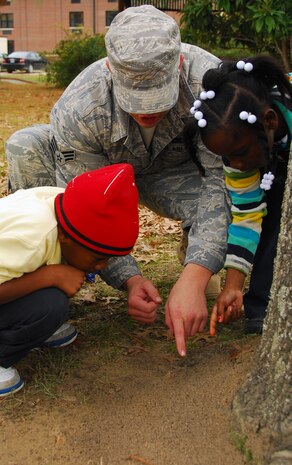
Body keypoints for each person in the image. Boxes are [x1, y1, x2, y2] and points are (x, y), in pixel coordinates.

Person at [5, 5, 230, 357]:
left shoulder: (212, 85)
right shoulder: (81, 105)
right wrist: (130, 279)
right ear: (110, 69)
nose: (146, 110)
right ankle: (40, 288)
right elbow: (84, 213)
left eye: (158, 95)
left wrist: (197, 273)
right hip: (103, 176)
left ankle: (197, 257)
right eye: (135, 98)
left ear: (180, 66)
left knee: (227, 194)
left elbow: (221, 180)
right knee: (26, 144)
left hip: (178, 172)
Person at [0, 163, 139, 397]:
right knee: (51, 305)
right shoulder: (32, 236)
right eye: (98, 258)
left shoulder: (65, 208)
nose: (103, 266)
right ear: (65, 236)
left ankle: (32, 328)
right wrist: (49, 275)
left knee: (53, 296)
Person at [184, 55, 291, 335]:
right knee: (269, 212)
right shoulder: (240, 147)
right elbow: (247, 215)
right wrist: (233, 287)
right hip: (274, 167)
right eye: (228, 158)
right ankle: (262, 305)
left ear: (270, 120)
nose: (237, 164)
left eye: (240, 154)